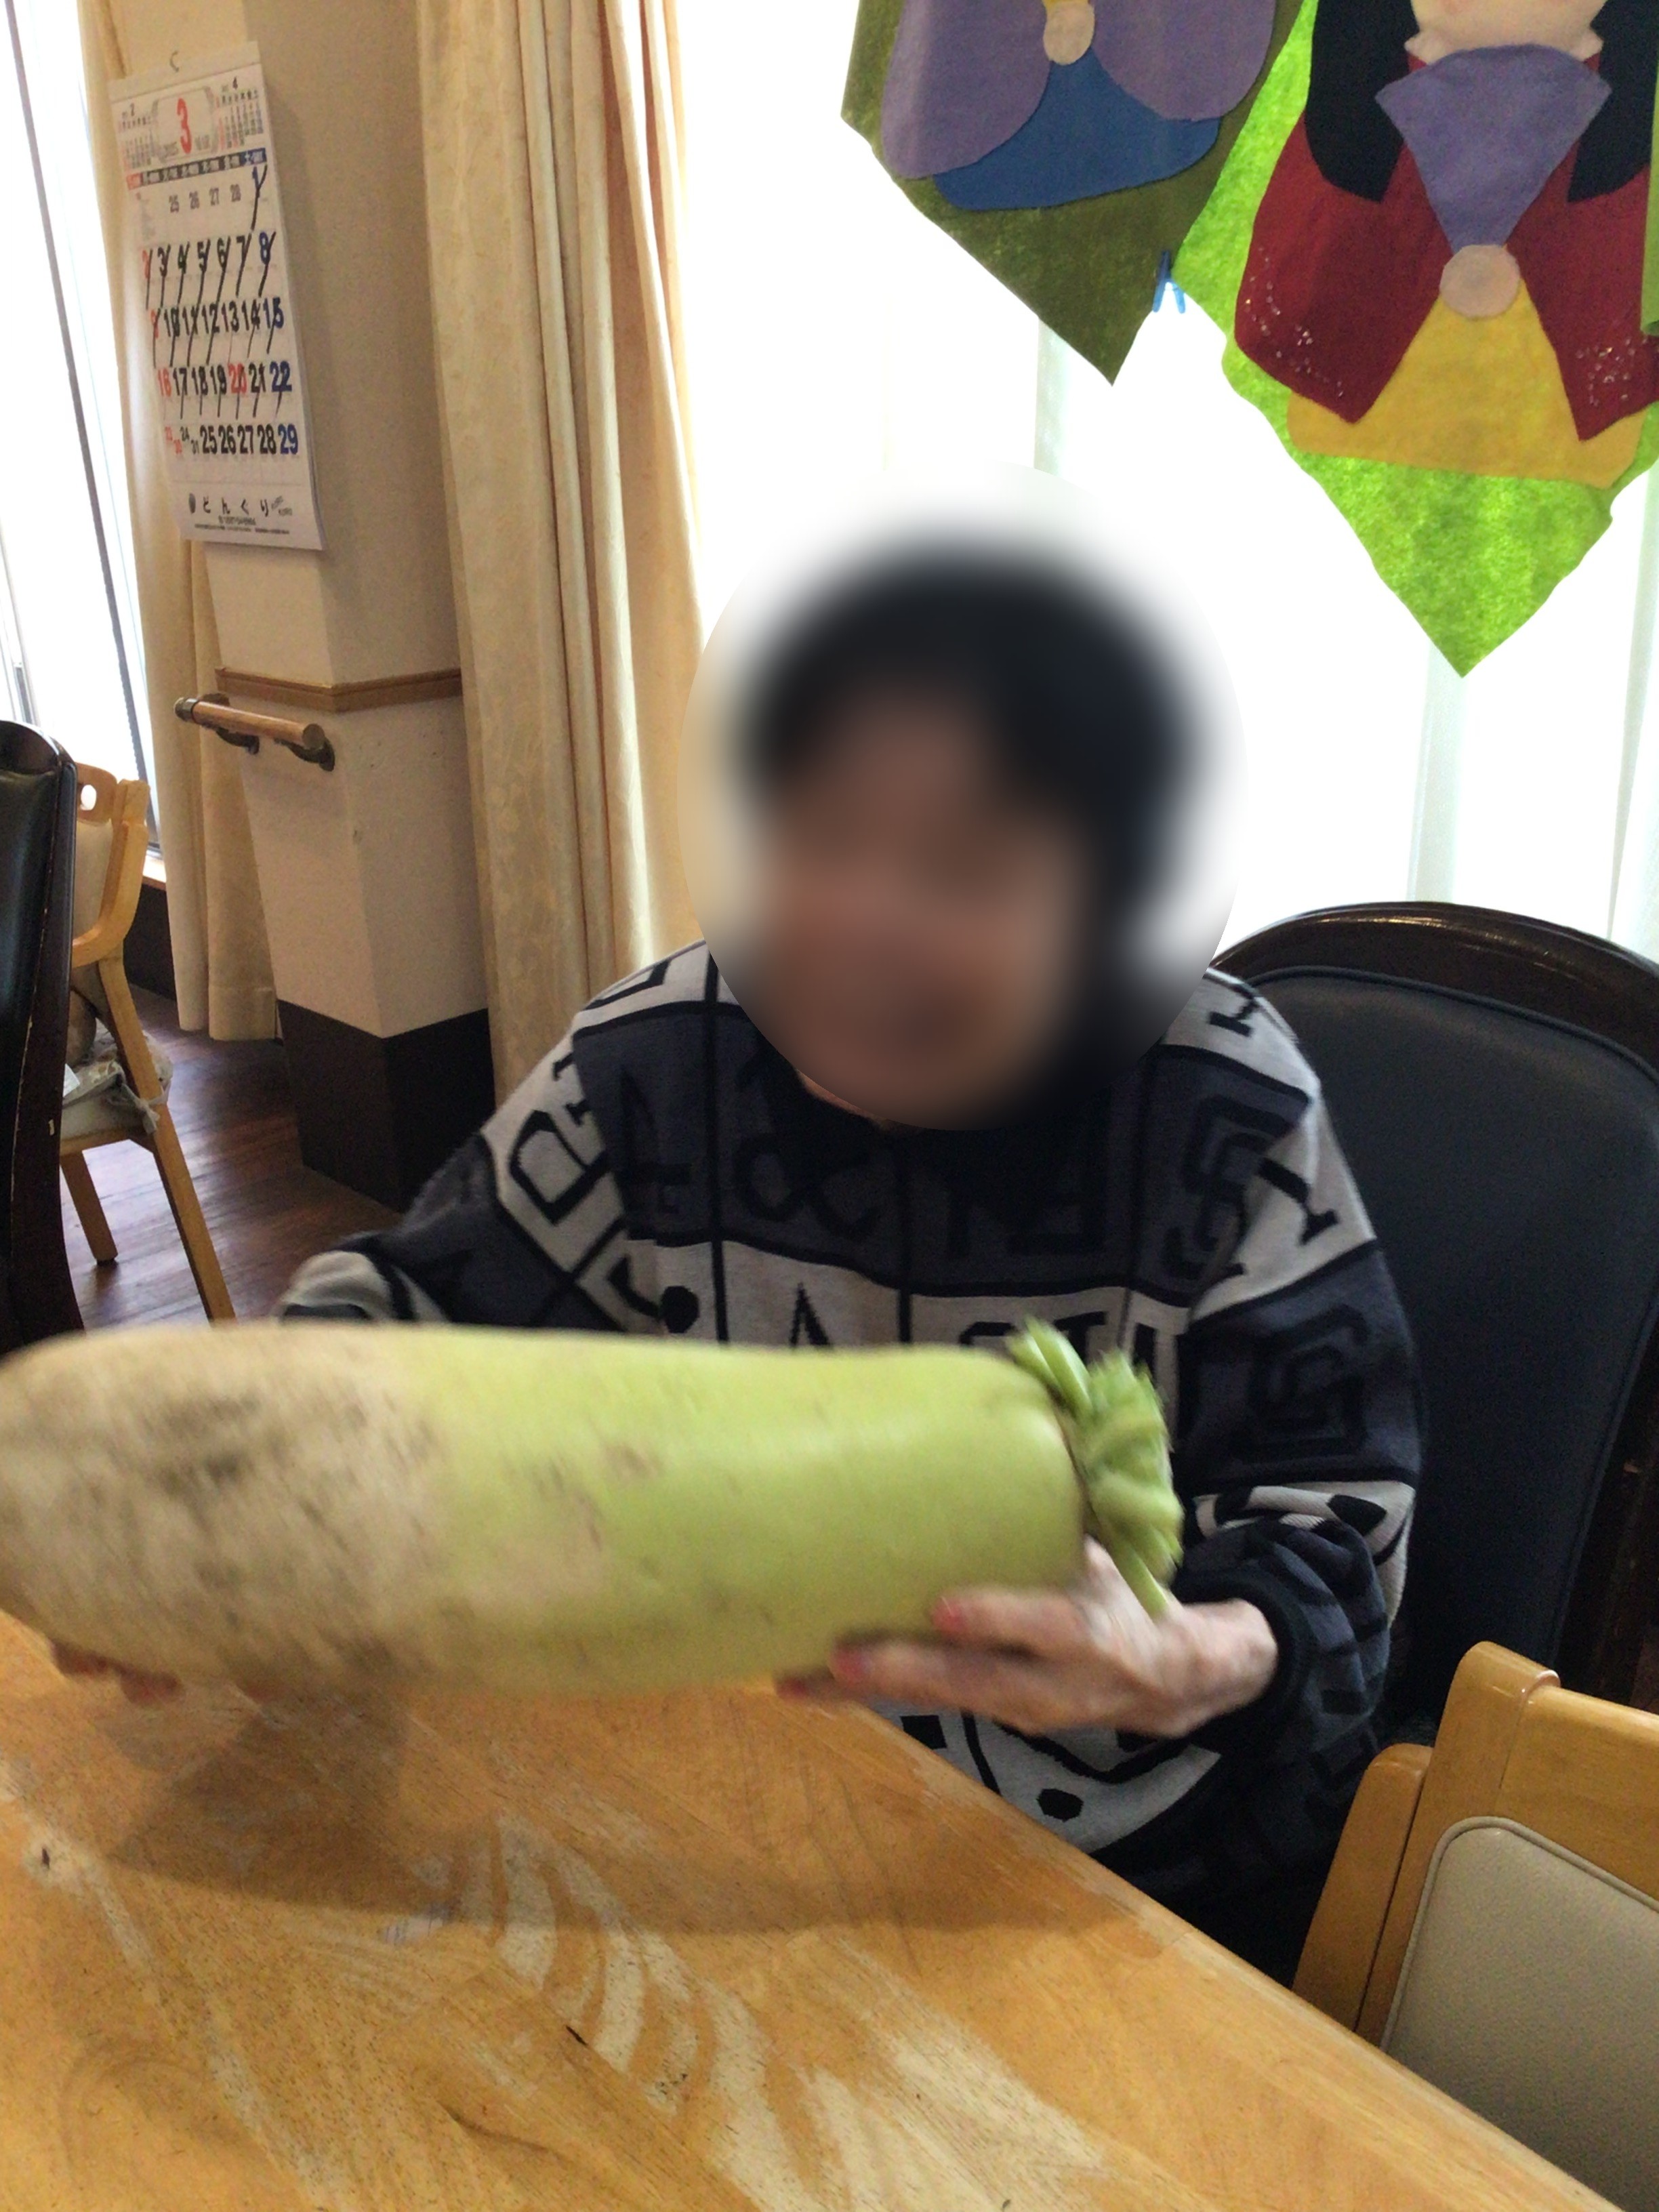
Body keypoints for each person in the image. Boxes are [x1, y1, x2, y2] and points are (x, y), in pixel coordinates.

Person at [277, 548, 1420, 1981]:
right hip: (731, 1802)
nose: (860, 921)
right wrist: (241, 1500)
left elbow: (1337, 1541)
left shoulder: (1225, 1107)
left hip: (1136, 1878)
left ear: (1109, 894)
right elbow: (406, 1313)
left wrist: (1195, 1655)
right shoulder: (657, 1059)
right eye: (815, 838)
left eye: (961, 867)